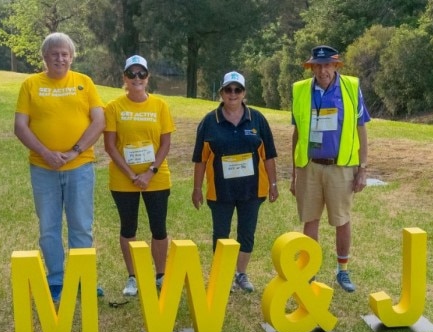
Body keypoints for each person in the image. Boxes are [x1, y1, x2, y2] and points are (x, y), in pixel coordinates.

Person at [14, 32, 106, 303]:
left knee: (81, 225)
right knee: (49, 227)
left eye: (65, 53)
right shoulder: (30, 85)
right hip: (43, 168)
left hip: (80, 166)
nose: (60, 58)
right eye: (54, 53)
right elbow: (20, 126)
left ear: (72, 57)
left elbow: (98, 122)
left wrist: (74, 151)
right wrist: (45, 152)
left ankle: (82, 280)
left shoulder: (84, 82)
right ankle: (56, 281)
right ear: (44, 57)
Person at [290, 45, 370, 293]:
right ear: (311, 67)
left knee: (342, 220)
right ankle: (308, 271)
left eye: (327, 65)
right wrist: (294, 172)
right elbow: (296, 133)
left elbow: (361, 129)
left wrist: (363, 168)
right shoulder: (300, 90)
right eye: (318, 65)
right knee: (310, 221)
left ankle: (342, 270)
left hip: (340, 167)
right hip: (310, 167)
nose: (323, 70)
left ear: (335, 66)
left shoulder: (351, 88)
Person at [192, 71, 279, 292]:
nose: (233, 94)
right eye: (228, 90)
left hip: (252, 189)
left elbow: (268, 154)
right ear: (221, 92)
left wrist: (273, 184)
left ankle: (241, 274)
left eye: (237, 90)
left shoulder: (257, 119)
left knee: (246, 233)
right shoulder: (209, 121)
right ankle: (223, 276)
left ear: (244, 93)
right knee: (221, 233)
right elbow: (200, 159)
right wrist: (196, 189)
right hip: (220, 190)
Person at [104, 55, 175, 296]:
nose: (137, 78)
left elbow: (166, 143)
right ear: (124, 77)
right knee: (128, 227)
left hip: (156, 177)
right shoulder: (114, 107)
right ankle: (133, 277)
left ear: (148, 78)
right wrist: (132, 175)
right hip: (124, 179)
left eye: (141, 74)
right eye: (132, 74)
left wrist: (149, 172)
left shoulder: (160, 106)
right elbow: (110, 146)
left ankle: (160, 275)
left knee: (159, 227)